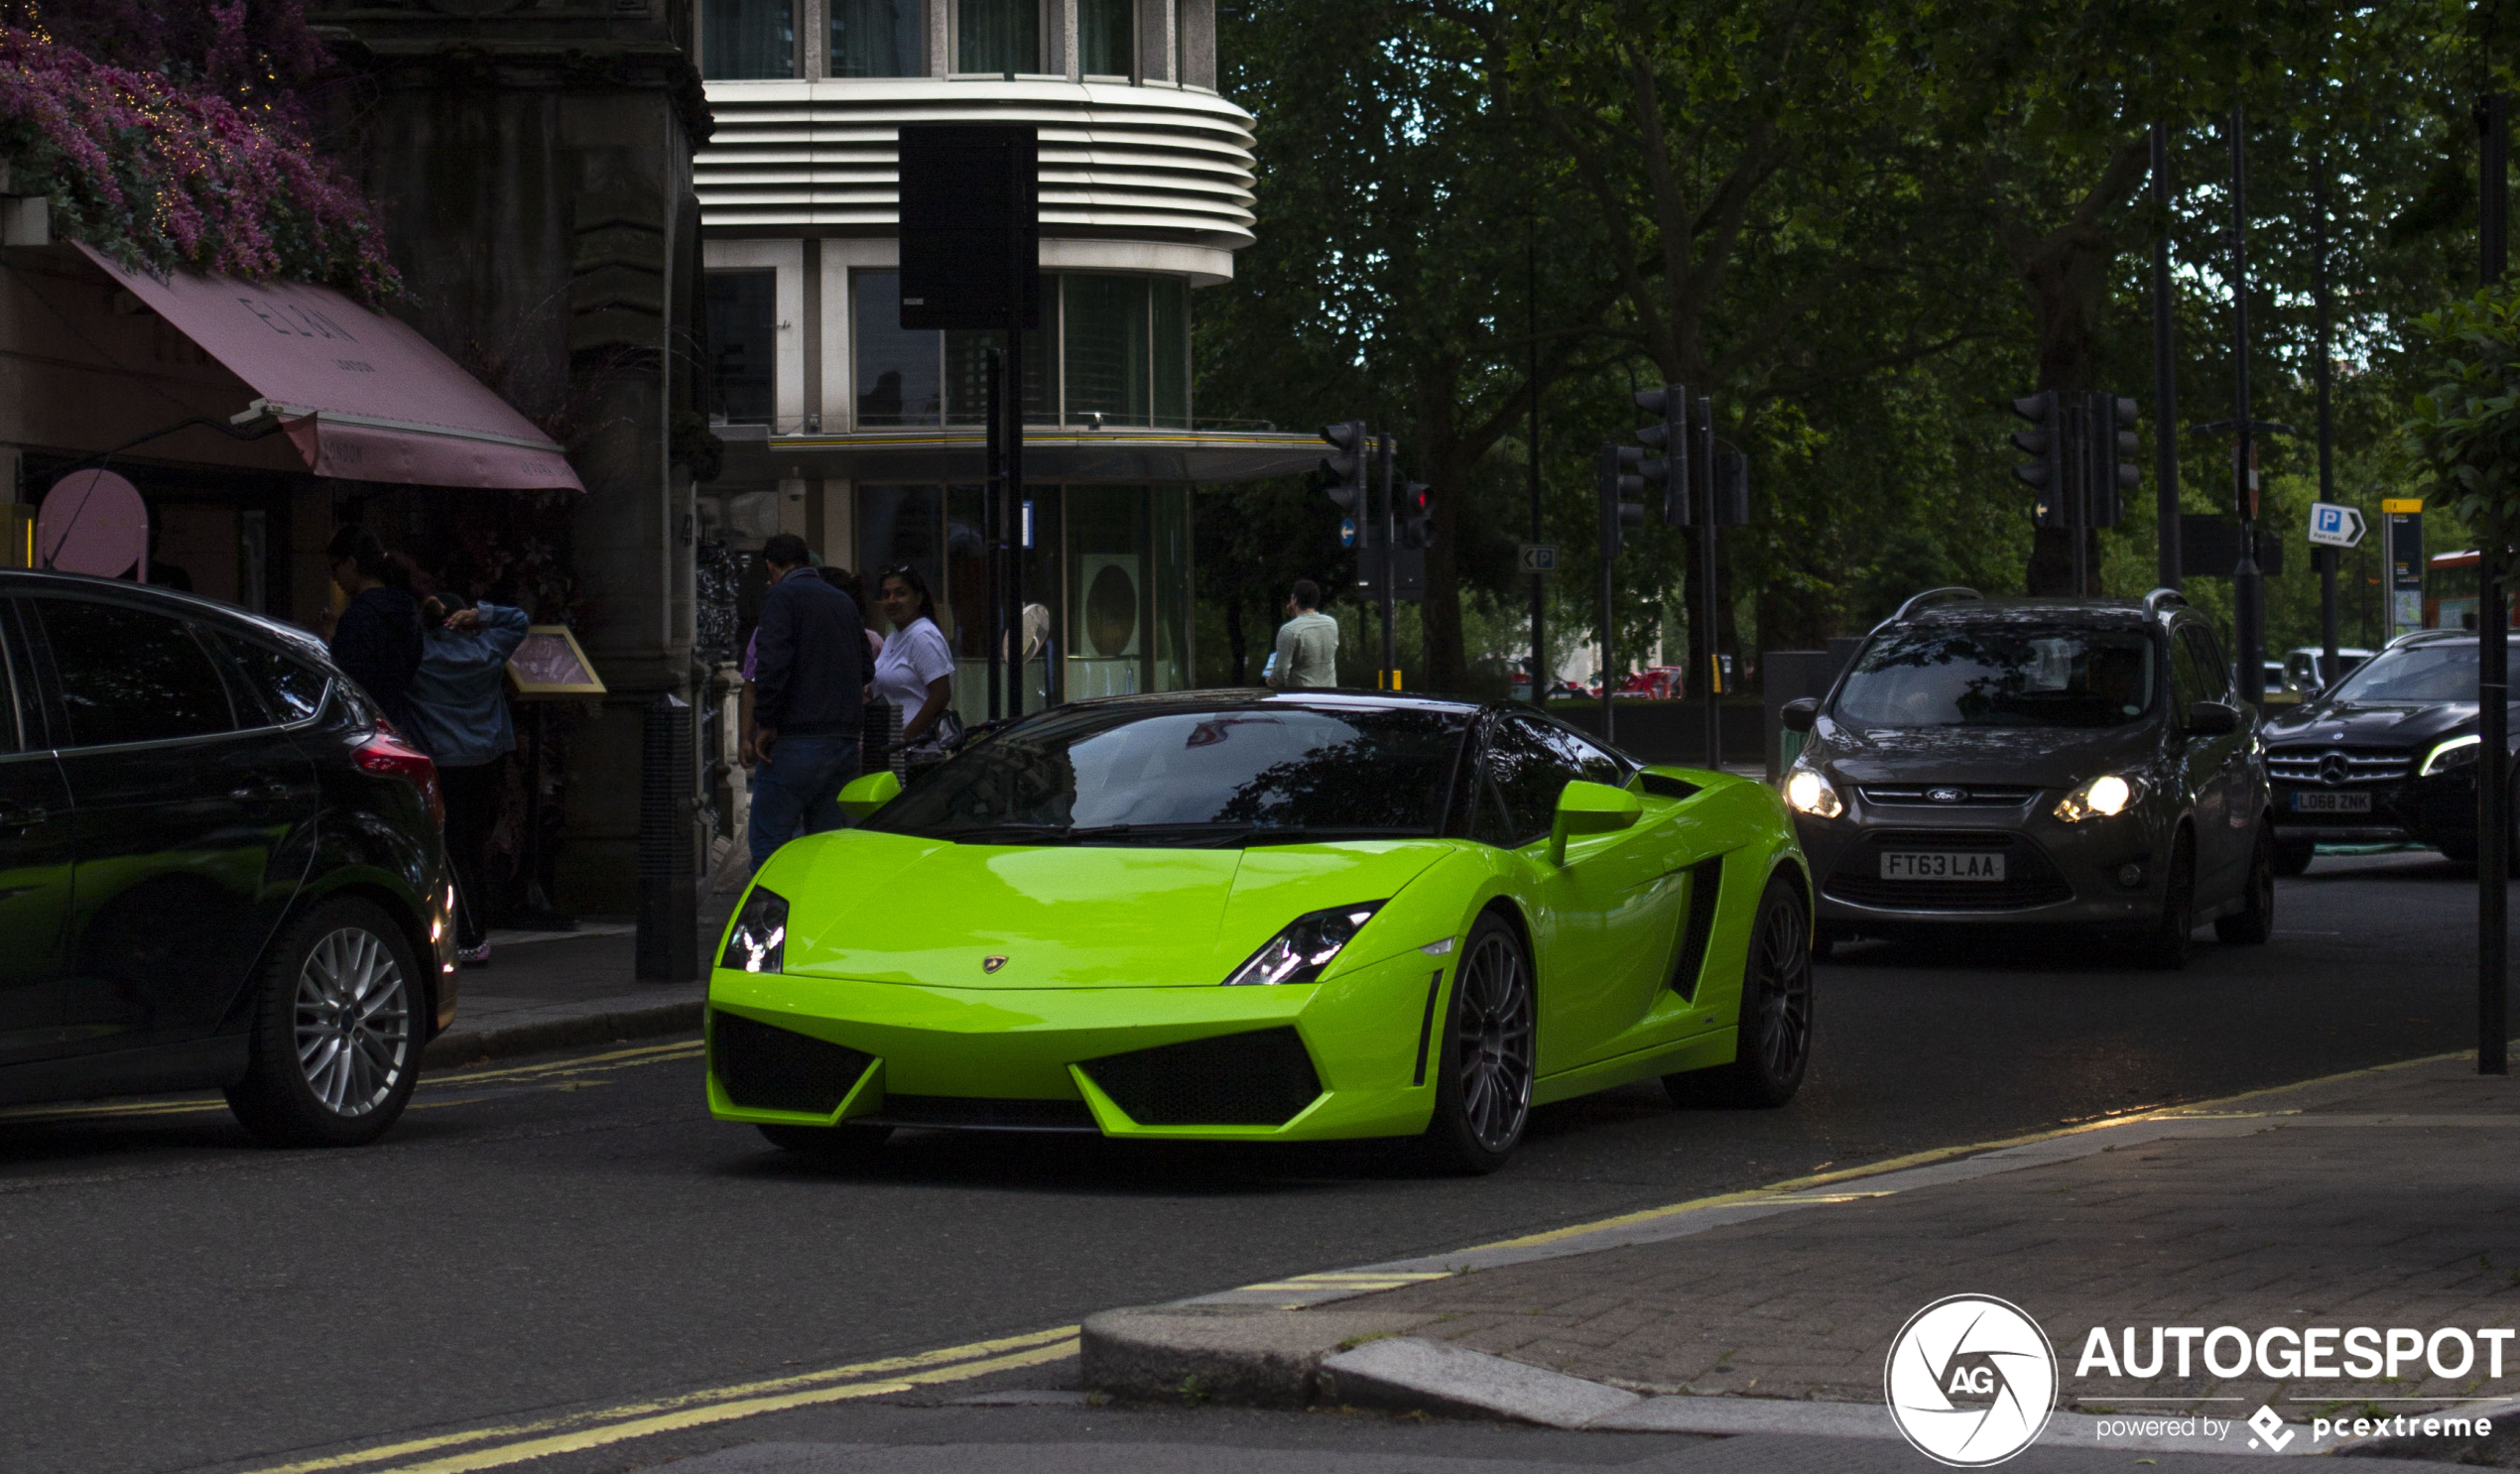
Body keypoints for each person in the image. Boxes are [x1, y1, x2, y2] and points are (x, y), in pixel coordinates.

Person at [406, 595, 532, 966]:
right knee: (475, 845)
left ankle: (462, 933)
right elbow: (519, 619)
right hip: (485, 757)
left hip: (443, 758)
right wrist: (482, 613)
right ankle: (476, 932)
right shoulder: (487, 648)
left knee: (449, 848)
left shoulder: (420, 654)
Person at [749, 533, 868, 870]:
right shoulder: (842, 601)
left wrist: (767, 722)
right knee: (826, 848)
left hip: (796, 738)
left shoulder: (781, 597)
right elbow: (867, 667)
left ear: (772, 565)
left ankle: (769, 917)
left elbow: (771, 664)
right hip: (843, 741)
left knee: (769, 844)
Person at [325, 526, 423, 732]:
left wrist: (333, 641)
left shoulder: (358, 617)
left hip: (366, 725)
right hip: (403, 723)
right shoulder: (407, 608)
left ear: (351, 563)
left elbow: (349, 681)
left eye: (334, 568)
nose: (334, 578)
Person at [873, 564, 956, 752]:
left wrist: (905, 738)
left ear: (918, 598)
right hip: (896, 751)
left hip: (919, 752)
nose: (892, 600)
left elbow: (941, 694)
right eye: (886, 595)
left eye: (900, 593)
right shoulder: (894, 637)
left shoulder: (922, 636)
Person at [1266, 579, 1340, 689]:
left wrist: (1272, 680)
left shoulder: (1289, 630)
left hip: (1302, 695)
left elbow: (1281, 671)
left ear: (1294, 600)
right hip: (1329, 693)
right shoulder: (1331, 623)